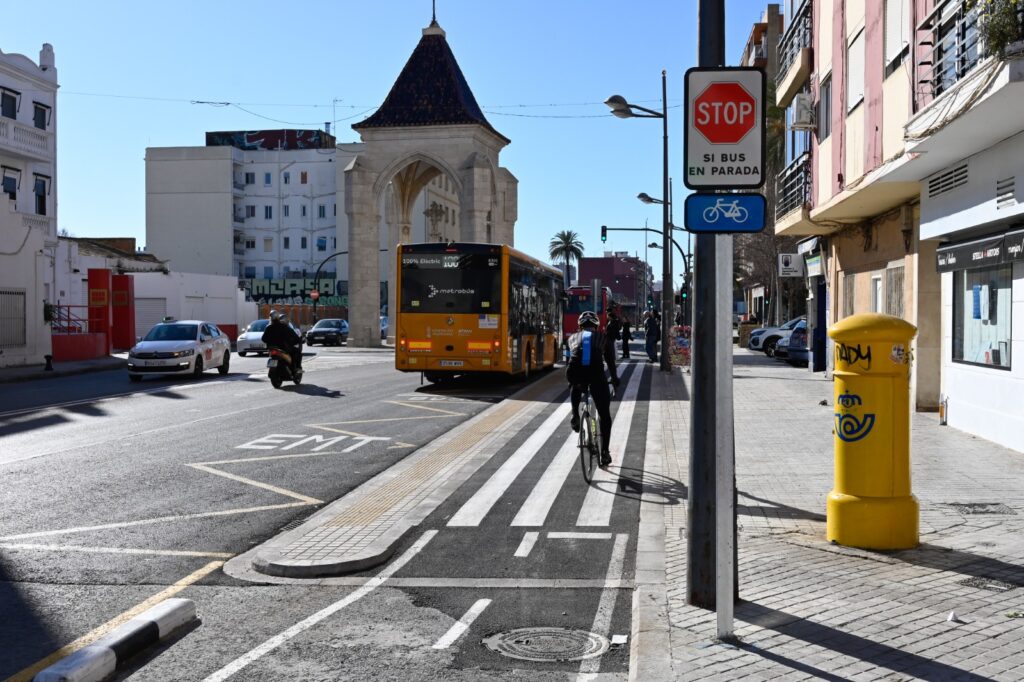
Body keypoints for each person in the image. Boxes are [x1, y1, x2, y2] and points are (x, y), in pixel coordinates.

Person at [565, 311, 620, 466]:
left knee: (574, 384)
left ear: (580, 326)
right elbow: (610, 363)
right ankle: (605, 453)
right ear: (596, 326)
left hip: (574, 371)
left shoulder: (571, 338)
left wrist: (572, 382)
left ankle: (575, 416)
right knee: (604, 415)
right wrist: (615, 380)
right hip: (596, 374)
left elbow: (567, 359)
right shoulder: (604, 339)